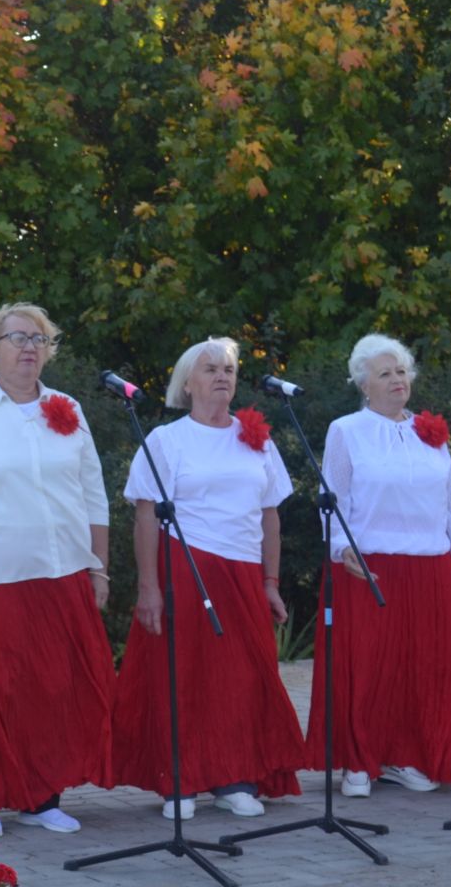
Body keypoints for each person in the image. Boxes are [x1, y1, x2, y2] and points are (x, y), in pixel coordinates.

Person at [0, 303, 115, 836]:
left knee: (54, 688)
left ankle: (40, 796)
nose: (30, 347)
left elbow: (93, 495)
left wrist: (98, 569)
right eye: (17, 338)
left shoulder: (68, 408)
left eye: (39, 339)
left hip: (64, 574)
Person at [109, 336, 307, 818]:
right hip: (185, 567)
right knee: (183, 675)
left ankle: (232, 777)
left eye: (229, 369)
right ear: (187, 382)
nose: (222, 376)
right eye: (210, 369)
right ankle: (180, 781)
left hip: (242, 573)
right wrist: (150, 589)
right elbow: (144, 517)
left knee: (241, 678)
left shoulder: (256, 438)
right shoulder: (166, 440)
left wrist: (270, 581)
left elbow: (270, 517)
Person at [304, 334, 451, 798]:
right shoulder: (346, 430)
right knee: (370, 668)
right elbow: (334, 499)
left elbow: (450, 506)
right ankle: (360, 761)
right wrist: (339, 547)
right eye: (385, 373)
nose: (397, 380)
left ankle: (408, 755)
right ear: (363, 385)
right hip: (369, 566)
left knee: (433, 666)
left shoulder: (430, 432)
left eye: (402, 371)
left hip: (431, 565)